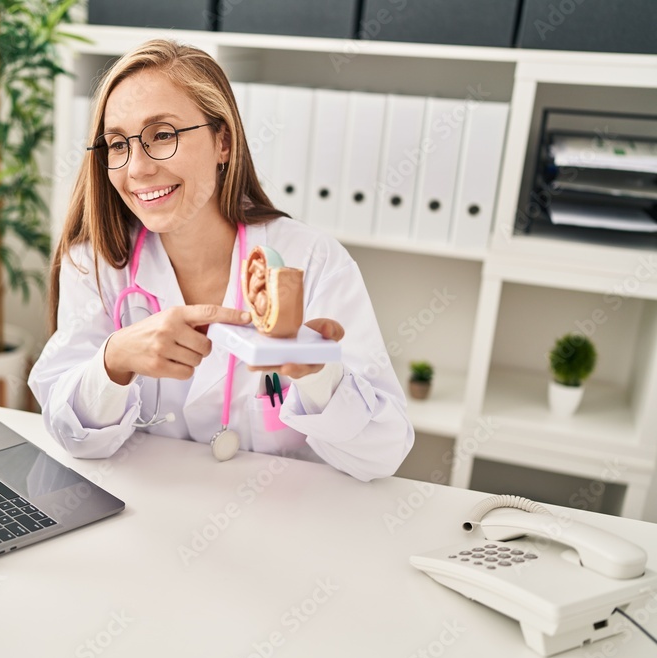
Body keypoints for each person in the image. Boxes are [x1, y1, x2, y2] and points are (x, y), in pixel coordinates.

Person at [28, 39, 413, 481]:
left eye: (162, 135)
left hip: (282, 522)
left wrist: (318, 373)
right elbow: (72, 436)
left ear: (223, 141)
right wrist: (114, 360)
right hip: (148, 519)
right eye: (118, 144)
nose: (136, 168)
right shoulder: (97, 264)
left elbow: (384, 454)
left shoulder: (313, 260)